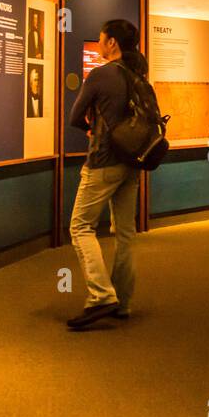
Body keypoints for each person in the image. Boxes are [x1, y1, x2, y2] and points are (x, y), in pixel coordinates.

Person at [65, 18, 149, 328]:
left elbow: (75, 117)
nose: (99, 43)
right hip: (132, 163)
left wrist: (90, 129)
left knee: (80, 227)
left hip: (103, 161)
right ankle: (122, 303)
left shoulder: (101, 75)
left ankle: (101, 295)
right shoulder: (138, 74)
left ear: (111, 42)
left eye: (102, 38)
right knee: (126, 234)